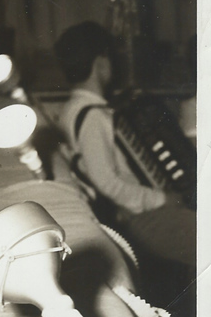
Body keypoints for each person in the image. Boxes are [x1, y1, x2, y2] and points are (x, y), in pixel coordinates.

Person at [54, 21, 196, 271]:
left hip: (137, 212)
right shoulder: (93, 117)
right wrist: (162, 198)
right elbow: (107, 183)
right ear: (100, 62)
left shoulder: (71, 110)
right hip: (142, 218)